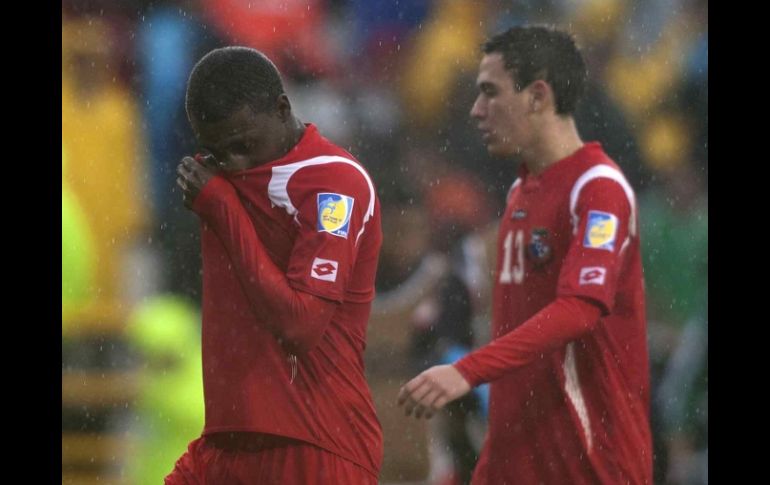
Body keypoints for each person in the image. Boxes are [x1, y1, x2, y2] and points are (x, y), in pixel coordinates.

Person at [397, 26, 652, 485]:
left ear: (537, 96)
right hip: (518, 463)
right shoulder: (520, 192)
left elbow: (579, 310)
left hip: (590, 463)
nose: (476, 111)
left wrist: (466, 370)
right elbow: (518, 342)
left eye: (490, 94)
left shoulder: (596, 189)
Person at [171, 46, 383, 484]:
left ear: (282, 108)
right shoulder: (218, 174)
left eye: (244, 145)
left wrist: (222, 208)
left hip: (316, 445)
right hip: (227, 441)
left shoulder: (333, 182)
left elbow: (300, 325)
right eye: (217, 151)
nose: (235, 163)